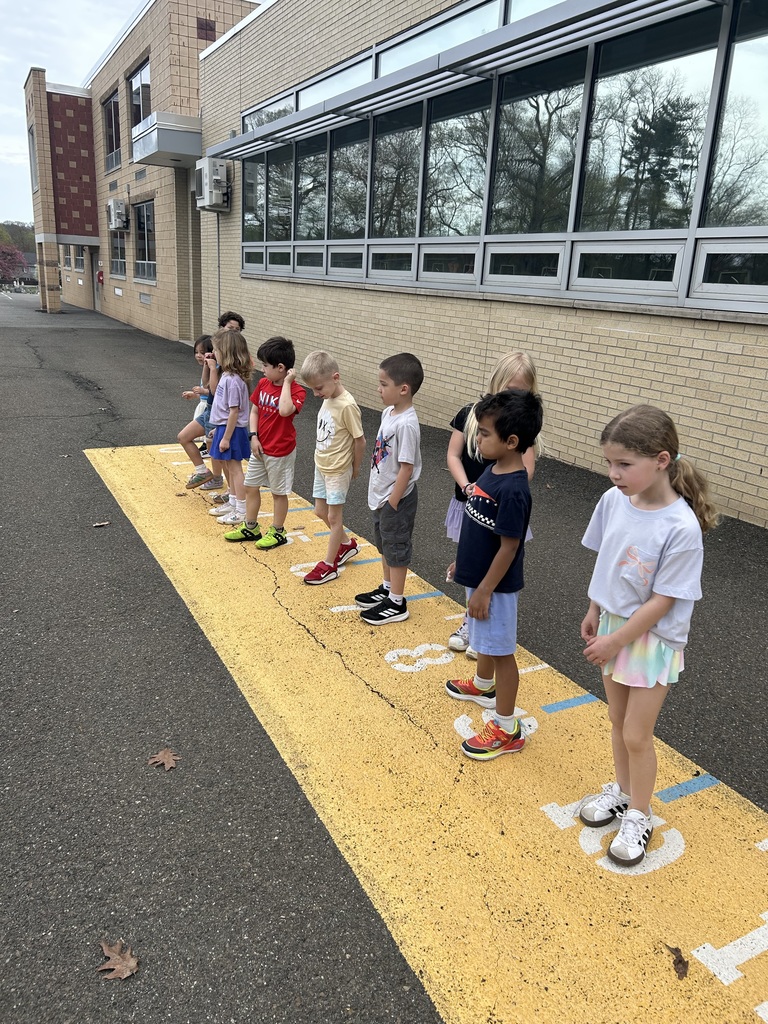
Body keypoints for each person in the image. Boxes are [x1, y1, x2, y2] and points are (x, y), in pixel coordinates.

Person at [578, 405, 718, 867]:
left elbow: (664, 601)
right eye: (609, 463)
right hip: (613, 626)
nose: (614, 474)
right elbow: (607, 562)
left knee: (637, 734)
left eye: (624, 464)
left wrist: (616, 641)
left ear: (661, 460)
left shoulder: (681, 526)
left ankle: (640, 813)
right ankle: (622, 792)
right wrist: (595, 608)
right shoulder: (613, 500)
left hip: (650, 640)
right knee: (617, 721)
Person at [444, 389, 543, 760]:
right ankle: (483, 684)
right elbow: (476, 527)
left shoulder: (514, 489)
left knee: (501, 652)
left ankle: (506, 727)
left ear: (511, 441)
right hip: (480, 577)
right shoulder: (492, 468)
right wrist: (463, 564)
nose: (478, 439)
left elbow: (509, 547)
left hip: (496, 587)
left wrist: (485, 589)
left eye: (485, 434)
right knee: (483, 639)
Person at [445, 352, 539, 656]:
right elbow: (453, 454)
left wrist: (499, 489)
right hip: (472, 501)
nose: (515, 396)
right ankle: (472, 621)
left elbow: (526, 469)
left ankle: (484, 625)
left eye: (522, 391)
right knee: (474, 558)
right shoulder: (471, 415)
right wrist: (468, 487)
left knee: (498, 557)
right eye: (510, 389)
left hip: (497, 506)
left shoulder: (519, 428)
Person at [354, 353, 424, 625]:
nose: (378, 389)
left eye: (384, 384)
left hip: (396, 499)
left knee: (396, 548)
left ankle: (396, 601)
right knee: (384, 544)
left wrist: (393, 501)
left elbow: (406, 467)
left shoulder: (407, 424)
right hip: (382, 495)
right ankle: (387, 588)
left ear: (403, 389)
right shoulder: (389, 413)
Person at [224, 336, 305, 547]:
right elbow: (255, 411)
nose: (262, 369)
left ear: (281, 368)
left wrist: (287, 383)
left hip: (281, 450)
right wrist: (253, 436)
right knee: (250, 486)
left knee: (278, 493)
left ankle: (278, 531)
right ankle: (251, 527)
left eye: (266, 365)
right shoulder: (263, 384)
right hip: (260, 447)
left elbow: (285, 410)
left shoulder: (297, 391)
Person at [300, 350, 365, 585]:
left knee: (334, 517)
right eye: (313, 389)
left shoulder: (347, 405)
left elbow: (360, 440)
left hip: (338, 469)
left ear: (335, 377)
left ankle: (329, 565)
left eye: (318, 388)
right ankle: (346, 544)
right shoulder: (328, 399)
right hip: (322, 465)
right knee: (320, 511)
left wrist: (355, 468)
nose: (316, 394)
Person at [196, 329, 253, 526]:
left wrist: (226, 437)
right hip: (225, 428)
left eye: (217, 350)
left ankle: (241, 510)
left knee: (235, 469)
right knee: (229, 466)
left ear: (227, 353)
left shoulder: (234, 381)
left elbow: (234, 412)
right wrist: (218, 430)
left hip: (233, 431)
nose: (214, 353)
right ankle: (234, 503)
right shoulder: (227, 377)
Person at [178, 335, 226, 489]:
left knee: (216, 452)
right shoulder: (212, 365)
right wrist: (207, 365)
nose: (200, 355)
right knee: (183, 437)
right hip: (208, 411)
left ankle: (221, 482)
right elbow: (205, 384)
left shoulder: (222, 369)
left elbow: (213, 390)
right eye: (197, 352)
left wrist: (212, 368)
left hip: (217, 413)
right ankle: (203, 471)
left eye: (204, 352)